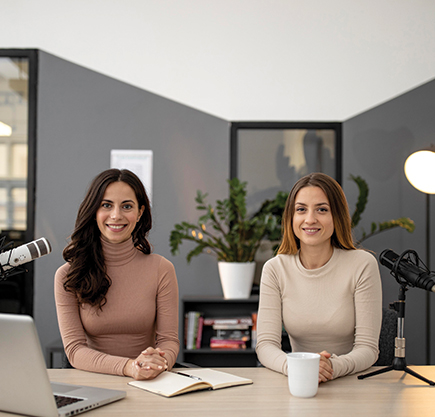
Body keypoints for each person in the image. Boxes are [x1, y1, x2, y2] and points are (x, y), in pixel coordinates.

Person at [255, 172, 382, 382]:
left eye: (322, 209)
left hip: (351, 382)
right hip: (296, 381)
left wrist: (331, 367)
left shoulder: (362, 264)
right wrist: (298, 367)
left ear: (337, 216)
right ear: (291, 217)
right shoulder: (275, 269)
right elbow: (266, 345)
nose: (310, 219)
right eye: (301, 209)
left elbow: (368, 348)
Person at [55, 169, 179, 380]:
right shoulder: (68, 275)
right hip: (92, 381)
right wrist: (130, 367)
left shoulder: (161, 269)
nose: (116, 215)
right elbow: (75, 350)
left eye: (127, 206)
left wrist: (156, 363)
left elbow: (169, 341)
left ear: (140, 213)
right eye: (106, 205)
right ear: (94, 211)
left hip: (149, 381)